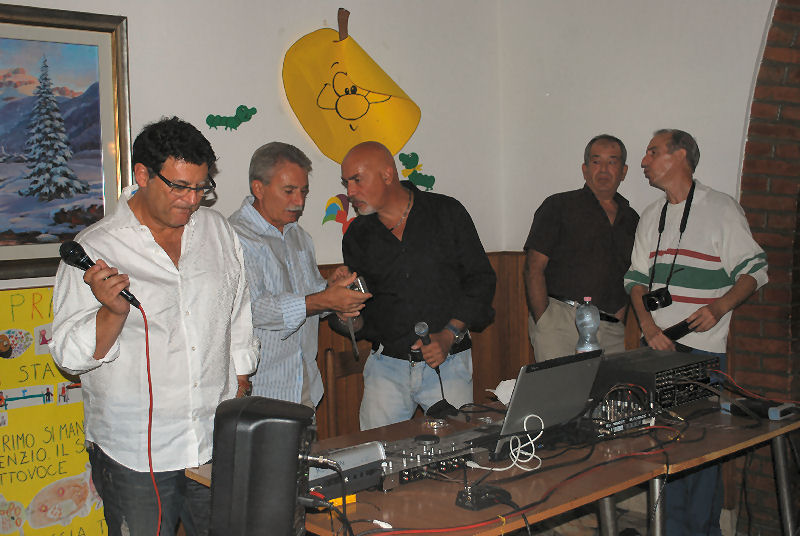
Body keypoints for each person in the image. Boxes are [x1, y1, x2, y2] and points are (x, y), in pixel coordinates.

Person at [50, 117, 259, 536]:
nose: (192, 200)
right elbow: (68, 357)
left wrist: (240, 376)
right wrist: (111, 313)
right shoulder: (97, 247)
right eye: (179, 187)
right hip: (134, 452)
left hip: (214, 439)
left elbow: (237, 309)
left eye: (201, 187)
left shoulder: (218, 231)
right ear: (142, 175)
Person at [625, 129, 768, 535]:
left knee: (702, 455)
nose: (644, 161)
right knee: (663, 451)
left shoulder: (721, 208)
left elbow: (756, 271)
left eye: (652, 152)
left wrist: (720, 307)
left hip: (702, 354)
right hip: (655, 351)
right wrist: (648, 326)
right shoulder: (651, 214)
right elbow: (636, 280)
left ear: (680, 156)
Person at [337, 141, 496, 430]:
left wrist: (449, 334)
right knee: (378, 452)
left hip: (448, 363)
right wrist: (345, 312)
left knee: (457, 450)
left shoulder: (446, 212)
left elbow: (481, 280)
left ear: (387, 175)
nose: (350, 191)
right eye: (346, 182)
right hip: (386, 367)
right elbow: (362, 317)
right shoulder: (357, 235)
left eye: (357, 180)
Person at [229, 142, 370, 408]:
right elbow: (254, 309)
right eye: (289, 191)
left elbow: (310, 299)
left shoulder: (299, 236)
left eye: (303, 191)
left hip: (304, 383)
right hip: (260, 390)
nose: (299, 202)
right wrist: (324, 299)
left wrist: (331, 288)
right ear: (258, 188)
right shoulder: (234, 237)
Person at [524, 134, 638, 361]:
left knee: (608, 384)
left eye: (612, 162)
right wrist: (544, 320)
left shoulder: (632, 219)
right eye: (596, 161)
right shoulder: (558, 206)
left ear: (623, 171)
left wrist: (618, 319)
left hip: (610, 328)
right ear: (585, 169)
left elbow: (630, 275)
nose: (603, 169)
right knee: (560, 385)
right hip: (560, 323)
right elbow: (533, 268)